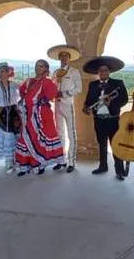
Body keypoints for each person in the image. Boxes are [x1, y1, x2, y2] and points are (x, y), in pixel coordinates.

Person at [83, 56, 129, 180]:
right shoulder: (93, 85)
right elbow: (88, 100)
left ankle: (119, 170)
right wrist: (86, 107)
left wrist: (111, 103)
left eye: (105, 70)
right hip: (98, 119)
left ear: (109, 72)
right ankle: (103, 166)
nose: (103, 72)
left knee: (115, 144)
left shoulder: (117, 83)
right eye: (101, 70)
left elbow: (124, 99)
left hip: (113, 118)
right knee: (101, 144)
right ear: (98, 72)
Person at [15, 59, 64, 176]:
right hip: (28, 114)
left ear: (46, 69)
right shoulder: (29, 81)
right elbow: (22, 92)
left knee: (43, 137)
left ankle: (42, 163)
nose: (38, 68)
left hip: (42, 115)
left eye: (41, 66)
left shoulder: (48, 82)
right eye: (37, 66)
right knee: (26, 137)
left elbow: (52, 94)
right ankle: (25, 164)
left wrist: (40, 100)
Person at [48, 44, 82, 173]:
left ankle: (71, 162)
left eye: (66, 56)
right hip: (57, 105)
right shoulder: (55, 73)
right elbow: (52, 87)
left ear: (69, 58)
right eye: (61, 56)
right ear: (59, 59)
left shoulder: (74, 72)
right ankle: (61, 160)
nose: (63, 58)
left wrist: (64, 93)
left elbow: (79, 89)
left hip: (68, 104)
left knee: (71, 133)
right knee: (59, 133)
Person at [0, 62, 21, 173]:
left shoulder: (14, 85)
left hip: (13, 113)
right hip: (1, 113)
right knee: (6, 137)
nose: (1, 74)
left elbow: (24, 93)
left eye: (3, 71)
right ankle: (8, 163)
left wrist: (18, 103)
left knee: (14, 136)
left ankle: (16, 160)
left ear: (8, 73)